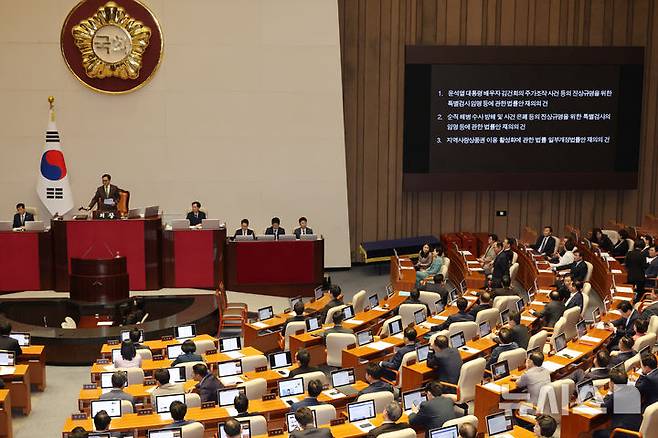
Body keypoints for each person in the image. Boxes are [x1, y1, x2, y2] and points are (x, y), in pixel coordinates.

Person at [592, 368, 642, 438]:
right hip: (636, 429)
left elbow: (603, 408)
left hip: (621, 433)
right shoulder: (634, 390)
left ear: (612, 383)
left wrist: (607, 394)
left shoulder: (615, 397)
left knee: (596, 433)